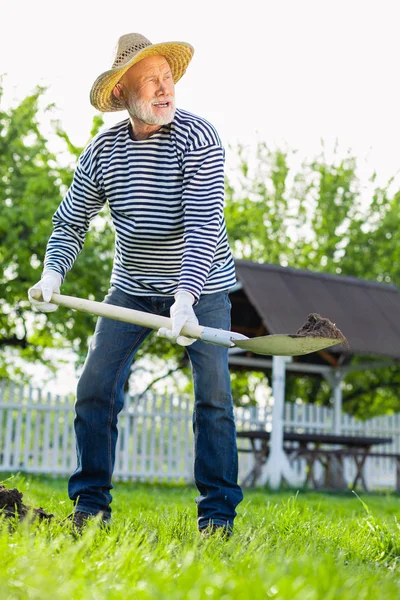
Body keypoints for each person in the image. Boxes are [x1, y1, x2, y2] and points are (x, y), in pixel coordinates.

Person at [28, 33, 243, 535]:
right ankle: (90, 507)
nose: (165, 88)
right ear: (123, 92)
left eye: (168, 77)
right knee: (94, 388)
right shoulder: (103, 151)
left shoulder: (199, 137)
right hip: (131, 285)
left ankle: (217, 517)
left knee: (213, 398)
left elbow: (204, 223)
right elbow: (70, 220)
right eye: (151, 80)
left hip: (203, 287)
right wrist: (52, 272)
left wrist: (186, 298)